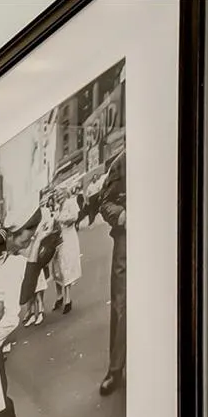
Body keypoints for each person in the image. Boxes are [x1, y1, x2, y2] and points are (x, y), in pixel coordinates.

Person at [85, 155, 126, 395]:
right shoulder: (122, 162)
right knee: (122, 305)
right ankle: (116, 369)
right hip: (127, 240)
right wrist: (123, 216)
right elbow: (105, 201)